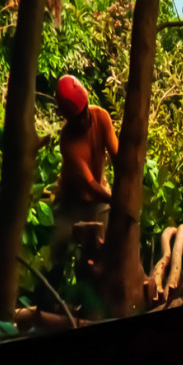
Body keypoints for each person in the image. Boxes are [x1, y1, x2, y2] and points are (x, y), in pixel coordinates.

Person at [49, 75, 118, 281]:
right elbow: (89, 184)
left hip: (99, 201)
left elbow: (117, 155)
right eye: (75, 118)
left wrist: (126, 187)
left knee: (104, 249)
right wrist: (115, 200)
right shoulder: (67, 141)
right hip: (71, 202)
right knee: (57, 248)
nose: (82, 120)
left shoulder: (101, 117)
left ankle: (99, 292)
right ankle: (52, 295)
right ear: (67, 118)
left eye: (83, 112)